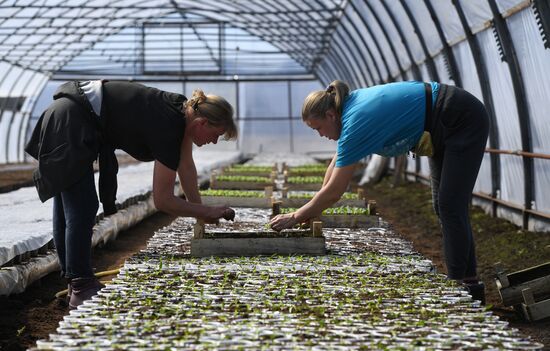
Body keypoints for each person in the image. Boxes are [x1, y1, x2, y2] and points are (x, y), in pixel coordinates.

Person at [270, 80, 489, 302]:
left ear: (330, 115)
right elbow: (334, 169)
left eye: (318, 128)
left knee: (450, 205)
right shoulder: (348, 112)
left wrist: (296, 216)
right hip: (440, 122)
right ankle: (470, 283)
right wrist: (312, 212)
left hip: (459, 116)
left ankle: (459, 285)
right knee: (444, 206)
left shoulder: (356, 121)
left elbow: (336, 190)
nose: (320, 135)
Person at [25, 80, 237, 308]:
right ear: (202, 122)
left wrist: (200, 217)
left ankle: (76, 283)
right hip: (71, 122)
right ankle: (81, 284)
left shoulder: (181, 110)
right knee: (81, 206)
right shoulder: (170, 125)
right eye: (215, 135)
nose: (213, 141)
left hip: (70, 116)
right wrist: (205, 211)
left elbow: (186, 168)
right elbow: (163, 200)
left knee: (71, 206)